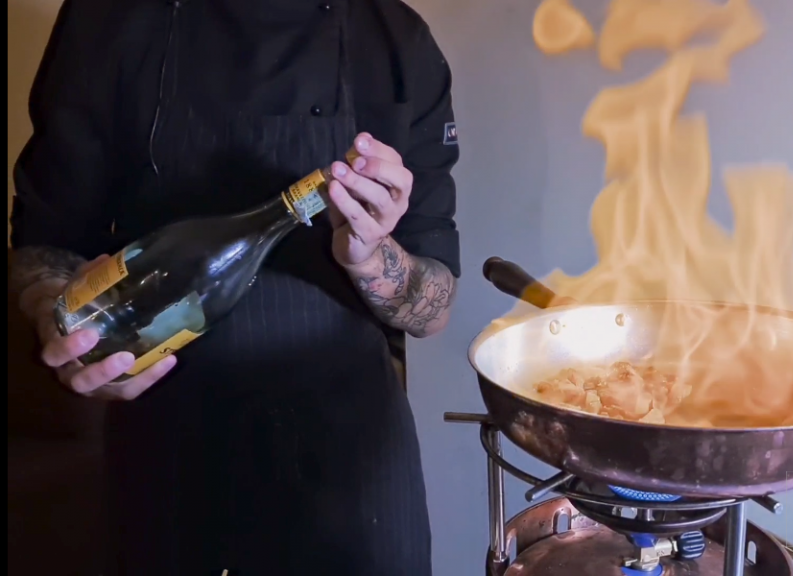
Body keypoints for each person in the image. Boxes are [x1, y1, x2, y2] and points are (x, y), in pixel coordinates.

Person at [9, 0, 459, 574]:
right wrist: (58, 314)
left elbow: (434, 310)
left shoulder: (398, 41)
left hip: (352, 457)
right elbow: (44, 243)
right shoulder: (107, 18)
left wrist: (373, 259)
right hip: (166, 439)